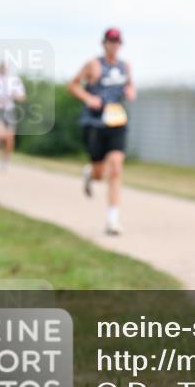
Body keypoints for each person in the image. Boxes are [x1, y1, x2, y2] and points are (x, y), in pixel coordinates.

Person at [68, 28, 135, 235]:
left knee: (115, 167)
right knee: (100, 173)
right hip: (95, 123)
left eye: (117, 42)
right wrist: (88, 98)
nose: (114, 45)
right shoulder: (93, 65)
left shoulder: (126, 66)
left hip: (117, 121)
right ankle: (91, 173)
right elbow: (72, 84)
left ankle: (112, 220)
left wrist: (131, 91)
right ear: (104, 43)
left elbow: (131, 86)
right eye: (110, 41)